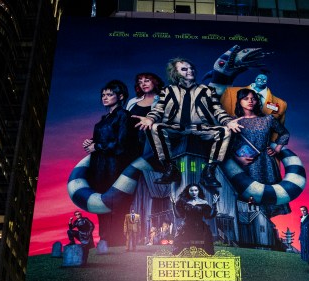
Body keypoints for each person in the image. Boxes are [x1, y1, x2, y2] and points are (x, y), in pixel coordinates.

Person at [136, 57, 242, 188]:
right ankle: (170, 168)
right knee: (154, 127)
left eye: (191, 68)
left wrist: (227, 121)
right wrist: (150, 118)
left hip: (201, 128)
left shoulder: (207, 90)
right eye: (184, 69)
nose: (190, 71)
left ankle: (209, 171)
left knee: (225, 131)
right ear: (175, 73)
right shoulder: (167, 91)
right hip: (175, 127)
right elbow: (159, 109)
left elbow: (217, 110)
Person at [83, 79, 133, 247]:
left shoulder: (124, 116)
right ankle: (104, 241)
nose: (105, 97)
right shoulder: (103, 120)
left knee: (116, 207)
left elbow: (122, 145)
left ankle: (116, 242)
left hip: (115, 168)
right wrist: (90, 143)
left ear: (120, 96)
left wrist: (97, 146)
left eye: (109, 94)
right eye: (103, 95)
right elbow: (102, 141)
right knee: (101, 205)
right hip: (99, 169)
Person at [230, 88, 291, 216]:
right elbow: (228, 145)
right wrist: (237, 159)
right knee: (248, 200)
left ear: (258, 101)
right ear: (239, 101)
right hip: (245, 165)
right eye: (245, 98)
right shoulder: (233, 122)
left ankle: (266, 227)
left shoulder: (268, 119)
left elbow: (284, 133)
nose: (250, 101)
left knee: (268, 196)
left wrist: (277, 149)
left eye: (253, 98)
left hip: (266, 163)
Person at [174, 184, 216, 254]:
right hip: (186, 228)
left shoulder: (204, 202)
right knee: (184, 250)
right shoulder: (183, 202)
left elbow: (209, 216)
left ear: (199, 191)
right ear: (188, 191)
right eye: (191, 190)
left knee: (202, 250)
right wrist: (173, 205)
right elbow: (178, 215)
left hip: (200, 228)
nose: (194, 192)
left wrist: (214, 204)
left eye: (196, 190)